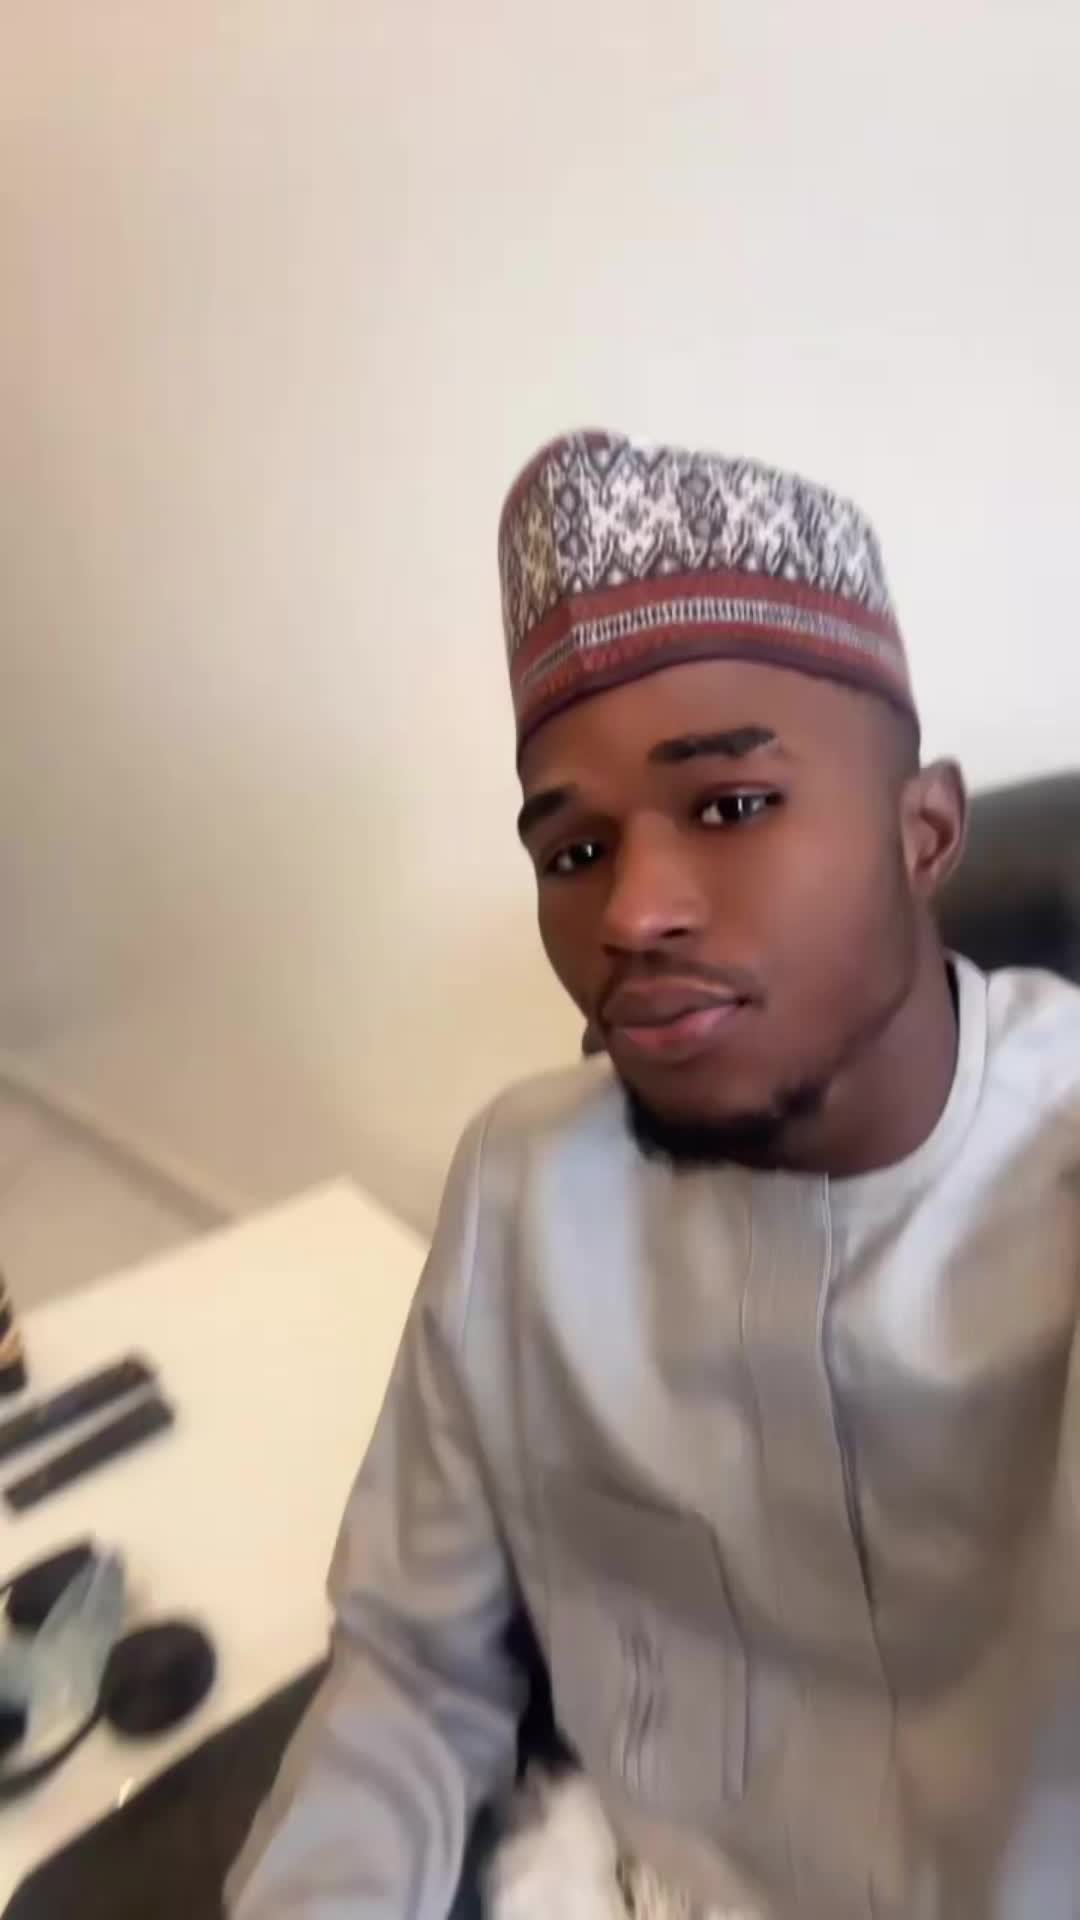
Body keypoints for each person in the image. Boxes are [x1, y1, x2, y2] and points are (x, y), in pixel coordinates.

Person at [227, 431, 1080, 1919]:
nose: (632, 913)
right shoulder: (521, 1192)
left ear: (925, 831)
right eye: (573, 854)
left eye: (731, 805)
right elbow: (414, 1673)